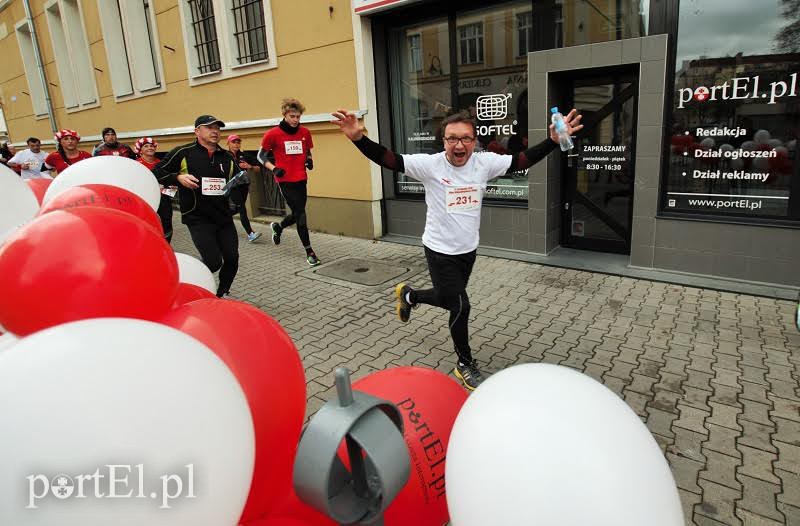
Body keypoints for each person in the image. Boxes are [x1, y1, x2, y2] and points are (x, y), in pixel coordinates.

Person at [331, 107, 583, 390]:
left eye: (465, 138)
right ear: (444, 141)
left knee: (447, 297)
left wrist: (551, 140)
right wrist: (357, 138)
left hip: (468, 250)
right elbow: (390, 159)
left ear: (475, 141)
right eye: (452, 139)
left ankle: (410, 295)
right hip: (438, 249)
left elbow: (521, 160)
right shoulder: (430, 165)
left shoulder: (484, 163)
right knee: (460, 305)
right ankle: (464, 363)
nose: (459, 145)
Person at [153, 115, 239, 298]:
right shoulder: (183, 153)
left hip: (223, 217)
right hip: (198, 217)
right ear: (197, 131)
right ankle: (186, 279)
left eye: (217, 128)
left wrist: (237, 200)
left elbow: (238, 181)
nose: (215, 131)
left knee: (232, 259)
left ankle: (221, 293)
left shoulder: (227, 157)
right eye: (209, 127)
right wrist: (178, 177)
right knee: (213, 261)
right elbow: (157, 172)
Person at [258, 98, 320, 267]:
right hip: (284, 179)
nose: (295, 120)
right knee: (301, 214)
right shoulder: (273, 134)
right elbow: (260, 156)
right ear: (285, 114)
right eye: (292, 116)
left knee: (298, 213)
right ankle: (310, 251)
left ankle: (279, 227)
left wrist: (309, 160)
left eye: (298, 116)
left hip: (301, 178)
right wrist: (273, 168)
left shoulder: (305, 132)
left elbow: (307, 150)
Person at [135, 136, 175, 243]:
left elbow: (172, 184)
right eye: (146, 146)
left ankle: (166, 245)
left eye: (151, 146)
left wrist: (167, 192)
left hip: (164, 200)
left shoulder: (162, 164)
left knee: (166, 224)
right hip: (145, 202)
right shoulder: (136, 166)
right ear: (140, 150)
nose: (149, 148)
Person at [226, 134, 262, 243]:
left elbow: (258, 168)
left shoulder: (244, 155)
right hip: (232, 186)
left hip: (244, 185)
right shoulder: (224, 156)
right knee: (242, 208)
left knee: (237, 208)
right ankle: (250, 233)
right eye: (233, 142)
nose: (236, 144)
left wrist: (249, 166)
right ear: (228, 144)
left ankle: (221, 218)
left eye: (238, 142)